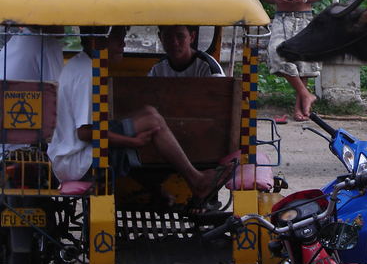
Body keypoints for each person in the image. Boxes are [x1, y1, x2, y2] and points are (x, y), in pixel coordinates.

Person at [47, 26, 231, 203]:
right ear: (97, 39)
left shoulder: (82, 63)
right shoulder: (86, 74)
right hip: (76, 162)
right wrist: (131, 141)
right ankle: (196, 181)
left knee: (149, 114)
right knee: (151, 122)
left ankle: (160, 190)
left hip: (77, 155)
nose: (123, 45)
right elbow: (85, 132)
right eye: (117, 39)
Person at [259, 0, 329, 121]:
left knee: (302, 62)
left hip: (305, 15)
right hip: (281, 16)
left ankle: (300, 108)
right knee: (277, 53)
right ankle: (307, 95)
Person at [0, 26, 64, 154]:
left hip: (7, 142)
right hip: (21, 151)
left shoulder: (16, 41)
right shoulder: (45, 43)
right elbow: (60, 97)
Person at [149, 25, 223, 77]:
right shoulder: (157, 69)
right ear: (160, 38)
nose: (174, 42)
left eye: (180, 36)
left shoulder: (208, 68)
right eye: (168, 36)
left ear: (192, 37)